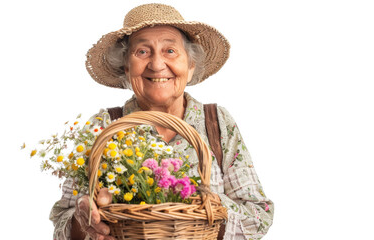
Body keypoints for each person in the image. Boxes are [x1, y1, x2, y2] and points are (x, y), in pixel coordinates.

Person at [50, 3, 274, 240]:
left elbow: (259, 215)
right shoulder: (104, 126)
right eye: (143, 52)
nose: (157, 65)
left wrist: (205, 207)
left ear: (190, 66)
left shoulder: (217, 123)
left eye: (170, 51)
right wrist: (83, 220)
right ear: (126, 67)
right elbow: (62, 225)